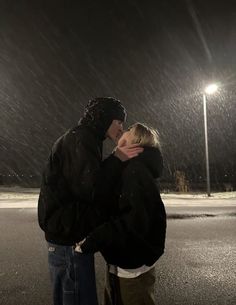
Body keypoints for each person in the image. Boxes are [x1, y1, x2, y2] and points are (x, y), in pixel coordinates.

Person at [37, 97, 143, 305]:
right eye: (118, 122)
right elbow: (92, 189)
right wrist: (116, 159)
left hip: (66, 233)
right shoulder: (82, 139)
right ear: (104, 118)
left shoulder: (81, 138)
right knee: (77, 299)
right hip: (70, 238)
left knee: (68, 297)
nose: (121, 128)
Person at [76, 123, 167, 305]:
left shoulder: (135, 171)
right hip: (122, 262)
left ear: (136, 142)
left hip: (132, 267)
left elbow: (132, 221)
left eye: (128, 131)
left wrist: (93, 240)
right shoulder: (128, 167)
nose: (122, 132)